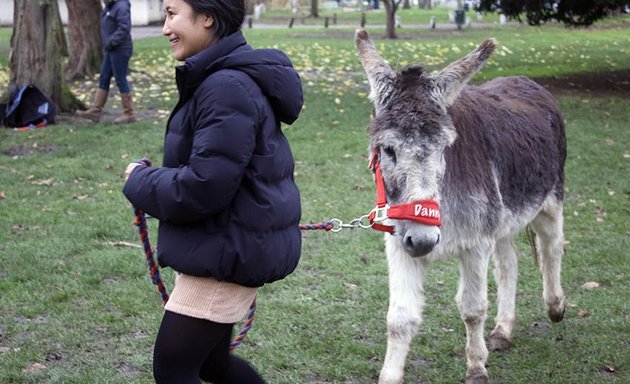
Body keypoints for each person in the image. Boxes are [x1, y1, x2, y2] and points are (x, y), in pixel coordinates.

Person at [122, 0, 303, 382]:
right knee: (211, 364)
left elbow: (204, 186)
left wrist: (139, 181)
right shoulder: (221, 78)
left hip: (224, 252)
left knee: (173, 367)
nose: (165, 27)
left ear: (207, 17)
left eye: (172, 14)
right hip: (226, 242)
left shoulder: (225, 86)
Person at [77, 0, 136, 124]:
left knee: (120, 79)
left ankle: (129, 113)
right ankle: (96, 111)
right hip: (111, 50)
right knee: (104, 77)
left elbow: (124, 28)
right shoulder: (110, 6)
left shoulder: (121, 6)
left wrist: (110, 42)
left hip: (120, 49)